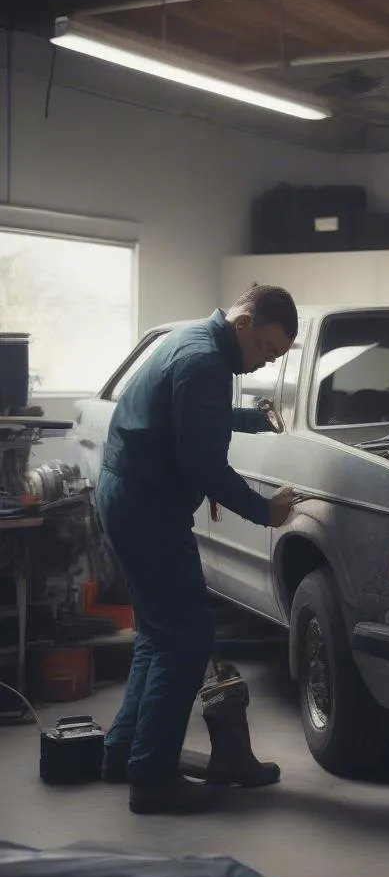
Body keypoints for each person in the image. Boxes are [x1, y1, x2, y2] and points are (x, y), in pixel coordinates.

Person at [95, 285, 299, 815]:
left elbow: (187, 417)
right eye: (266, 350)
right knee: (186, 639)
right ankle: (153, 780)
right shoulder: (208, 362)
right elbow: (205, 463)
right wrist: (264, 511)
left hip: (128, 497)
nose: (260, 364)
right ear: (245, 323)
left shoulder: (190, 341)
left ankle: (123, 754)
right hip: (148, 508)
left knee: (158, 635)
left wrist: (252, 419)